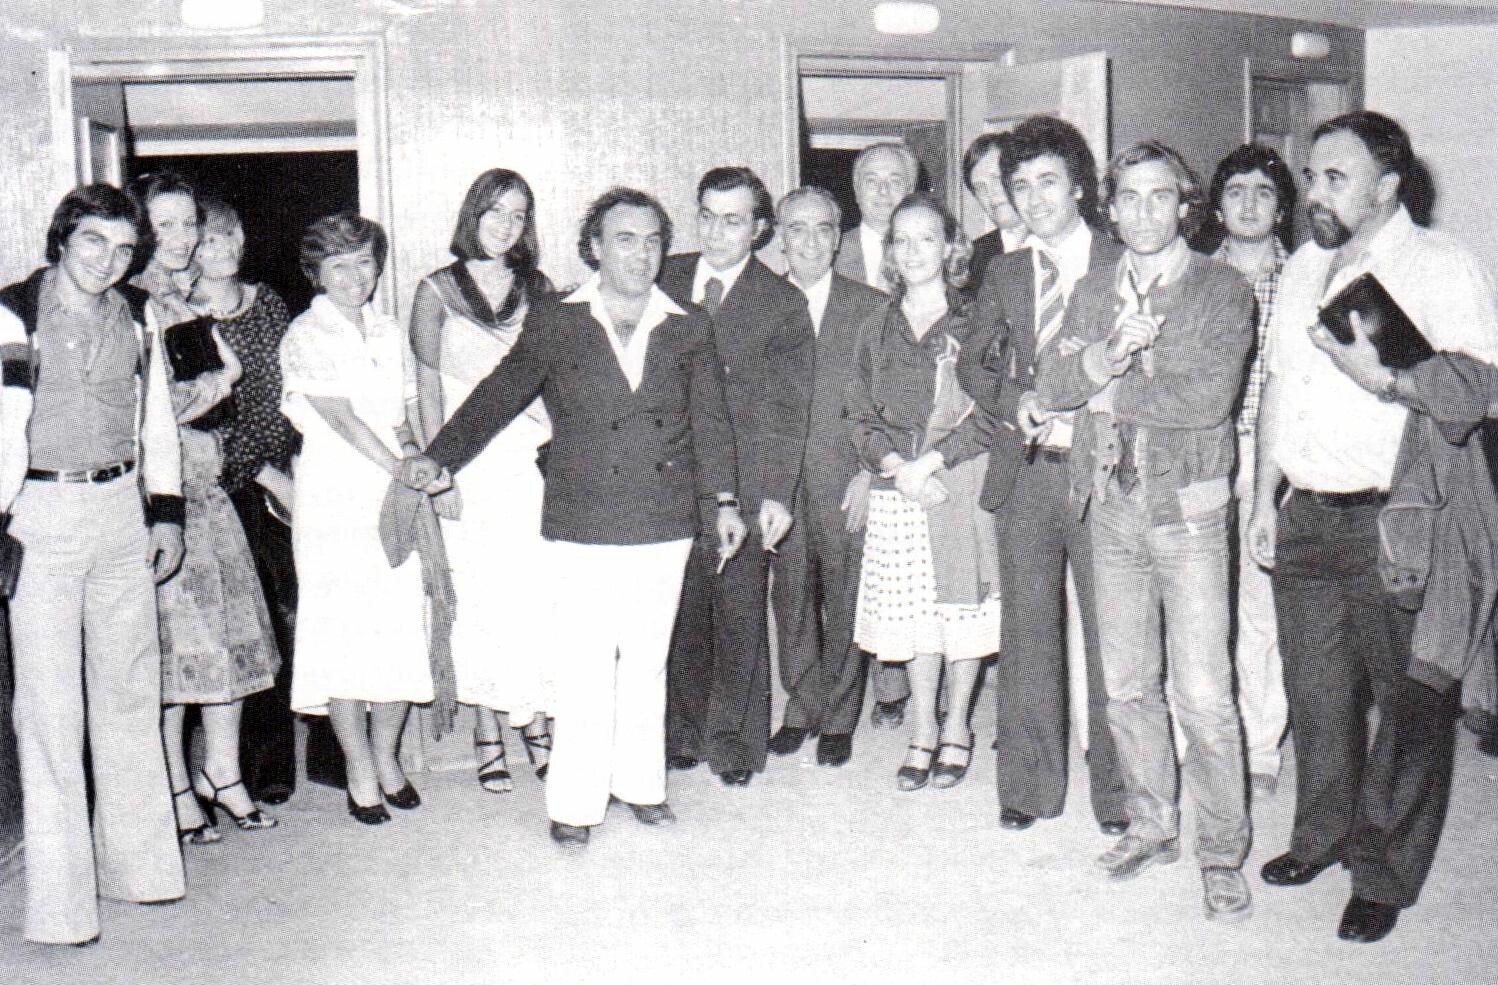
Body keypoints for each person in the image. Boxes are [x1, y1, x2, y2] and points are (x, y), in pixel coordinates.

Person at [403, 187, 745, 847]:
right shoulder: (558, 319)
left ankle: (642, 785)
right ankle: (574, 802)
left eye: (652, 241)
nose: (641, 254)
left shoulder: (687, 323)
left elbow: (711, 420)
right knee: (584, 664)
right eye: (625, 239)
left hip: (664, 516)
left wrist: (724, 501)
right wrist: (439, 457)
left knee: (645, 659)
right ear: (594, 247)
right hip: (582, 515)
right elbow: (500, 393)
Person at [1248, 111, 1498, 943]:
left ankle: (1384, 871)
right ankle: (1321, 835)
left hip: (1395, 521)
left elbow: (1478, 391)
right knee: (1318, 694)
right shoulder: (1301, 266)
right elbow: (1280, 386)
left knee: (1409, 703)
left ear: (1387, 186)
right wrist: (1264, 498)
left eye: (1335, 178)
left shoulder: (1442, 266)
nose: (1313, 193)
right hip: (1308, 512)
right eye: (1311, 177)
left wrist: (1384, 378)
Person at [1036, 141, 1255, 922]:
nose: (1143, 212)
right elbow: (1051, 381)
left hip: (1186, 511)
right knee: (1126, 685)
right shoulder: (1093, 289)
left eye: (1160, 195)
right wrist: (1105, 353)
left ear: (1185, 205)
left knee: (1204, 695)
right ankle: (1153, 823)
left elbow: (1207, 400)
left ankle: (1221, 852)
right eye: (1128, 196)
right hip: (1111, 505)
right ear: (1110, 205)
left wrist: (1105, 391)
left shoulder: (1223, 288)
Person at [0, 183, 186, 945]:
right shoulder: (13, 313)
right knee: (49, 712)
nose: (108, 261)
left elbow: (157, 418)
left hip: (119, 509)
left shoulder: (138, 315)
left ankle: (141, 870)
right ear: (62, 239)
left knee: (129, 693)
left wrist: (166, 509)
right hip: (39, 515)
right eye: (93, 242)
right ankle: (61, 907)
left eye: (123, 248)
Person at [954, 115, 1127, 836]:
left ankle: (1120, 794)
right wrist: (1012, 399)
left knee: (1113, 636)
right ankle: (1028, 787)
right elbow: (973, 364)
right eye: (1020, 186)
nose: (1034, 198)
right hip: (1027, 470)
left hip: (1103, 473)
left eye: (1048, 181)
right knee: (1027, 633)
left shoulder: (1121, 258)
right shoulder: (1005, 271)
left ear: (1079, 185)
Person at [132, 178, 281, 841]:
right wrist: (224, 379)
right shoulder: (135, 302)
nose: (183, 237)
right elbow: (161, 407)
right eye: (165, 225)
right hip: (165, 494)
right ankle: (173, 787)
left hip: (210, 486)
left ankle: (222, 773)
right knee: (174, 656)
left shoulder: (184, 297)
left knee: (225, 640)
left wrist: (219, 380)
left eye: (188, 223)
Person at [659, 167, 813, 787]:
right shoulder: (664, 278)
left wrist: (777, 492)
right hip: (670, 475)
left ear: (758, 228)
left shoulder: (781, 303)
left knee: (739, 614)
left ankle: (736, 746)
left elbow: (790, 409)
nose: (717, 232)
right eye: (707, 217)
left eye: (733, 220)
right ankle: (681, 733)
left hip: (745, 483)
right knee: (679, 611)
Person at [280, 212, 431, 825]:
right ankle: (358, 767)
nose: (354, 276)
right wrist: (399, 466)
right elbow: (342, 420)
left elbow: (400, 417)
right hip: (335, 498)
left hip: (393, 491)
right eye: (339, 265)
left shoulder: (388, 330)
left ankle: (387, 756)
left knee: (398, 626)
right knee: (341, 634)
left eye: (364, 262)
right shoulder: (304, 334)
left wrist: (416, 457)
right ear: (317, 273)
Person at [847, 191, 997, 792]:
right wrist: (895, 465)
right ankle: (923, 727)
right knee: (916, 618)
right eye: (901, 240)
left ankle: (957, 725)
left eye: (926, 238)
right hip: (899, 489)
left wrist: (931, 463)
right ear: (889, 250)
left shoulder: (976, 319)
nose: (912, 251)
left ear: (950, 247)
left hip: (957, 483)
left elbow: (992, 411)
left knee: (960, 612)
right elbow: (859, 413)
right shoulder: (874, 325)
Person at [410, 169, 554, 794]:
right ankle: (488, 731)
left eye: (518, 215)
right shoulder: (436, 290)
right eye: (495, 211)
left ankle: (536, 721)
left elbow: (553, 376)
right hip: (466, 464)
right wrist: (440, 472)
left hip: (524, 462)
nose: (505, 225)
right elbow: (427, 387)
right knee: (477, 601)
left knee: (529, 596)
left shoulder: (538, 289)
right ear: (473, 214)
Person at [767, 186, 888, 767]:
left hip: (845, 472)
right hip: (781, 480)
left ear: (838, 237)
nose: (811, 242)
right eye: (797, 228)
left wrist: (869, 473)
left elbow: (888, 399)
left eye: (823, 229)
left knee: (845, 595)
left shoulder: (872, 306)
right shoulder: (761, 303)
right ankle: (801, 705)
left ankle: (839, 715)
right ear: (780, 237)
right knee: (789, 596)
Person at [191, 202, 303, 808]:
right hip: (231, 485)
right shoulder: (185, 314)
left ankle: (316, 756)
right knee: (251, 625)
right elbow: (204, 417)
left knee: (295, 612)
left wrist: (296, 465)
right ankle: (258, 767)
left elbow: (292, 387)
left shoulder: (269, 303)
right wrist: (265, 475)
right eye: (210, 239)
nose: (225, 247)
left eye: (231, 234)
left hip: (285, 471)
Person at [1201, 144, 1295, 798]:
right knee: (1203, 607)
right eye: (1235, 191)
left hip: (1279, 461)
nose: (1249, 204)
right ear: (1217, 207)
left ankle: (1261, 746)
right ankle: (1207, 740)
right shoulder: (1194, 276)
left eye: (1263, 192)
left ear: (1282, 207)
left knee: (1263, 607)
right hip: (1204, 454)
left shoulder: (1309, 278)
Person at [832, 142, 920, 729]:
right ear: (855, 188)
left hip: (906, 439)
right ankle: (840, 687)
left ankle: (895, 681)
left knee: (902, 567)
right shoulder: (829, 251)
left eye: (896, 180)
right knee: (846, 569)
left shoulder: (929, 250)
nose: (884, 191)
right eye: (871, 179)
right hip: (839, 432)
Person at [962, 130, 1028, 292]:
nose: (991, 193)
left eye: (997, 179)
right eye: (980, 187)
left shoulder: (1062, 242)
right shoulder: (970, 260)